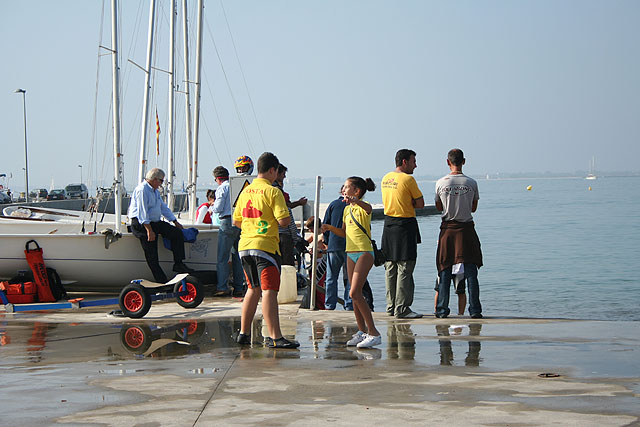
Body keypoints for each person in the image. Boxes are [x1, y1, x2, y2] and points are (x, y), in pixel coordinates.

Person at [234, 152, 300, 349]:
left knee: (252, 289)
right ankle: (276, 336)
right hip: (265, 247)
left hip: (245, 246)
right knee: (269, 291)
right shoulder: (273, 191)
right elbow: (284, 221)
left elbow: (236, 221)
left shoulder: (245, 191)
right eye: (276, 172)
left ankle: (243, 333)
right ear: (272, 170)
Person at [322, 177, 381, 348]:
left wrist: (356, 201)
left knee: (355, 292)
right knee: (352, 295)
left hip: (364, 252)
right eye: (344, 187)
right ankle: (362, 331)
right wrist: (329, 228)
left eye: (347, 187)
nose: (344, 189)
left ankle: (374, 332)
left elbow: (369, 209)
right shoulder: (347, 210)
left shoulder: (363, 206)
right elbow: (343, 232)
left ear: (356, 191)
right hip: (350, 253)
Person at [434, 148, 483, 319]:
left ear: (448, 162)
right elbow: (473, 208)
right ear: (464, 161)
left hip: (448, 230)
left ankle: (441, 309)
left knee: (445, 269)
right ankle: (475, 309)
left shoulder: (441, 183)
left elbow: (439, 207)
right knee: (471, 271)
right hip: (466, 230)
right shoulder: (471, 183)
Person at [128, 168, 194, 283]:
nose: (161, 184)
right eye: (161, 181)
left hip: (154, 222)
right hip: (141, 224)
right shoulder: (142, 190)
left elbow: (162, 207)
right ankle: (161, 281)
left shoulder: (154, 191)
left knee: (176, 233)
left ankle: (178, 263)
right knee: (152, 254)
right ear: (154, 180)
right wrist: (149, 230)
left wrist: (174, 221)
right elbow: (142, 212)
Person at [380, 149, 425, 319]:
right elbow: (420, 203)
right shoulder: (408, 179)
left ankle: (391, 306)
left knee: (390, 267)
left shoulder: (386, 178)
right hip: (405, 225)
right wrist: (410, 201)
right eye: (414, 161)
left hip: (388, 224)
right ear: (404, 162)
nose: (416, 165)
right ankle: (403, 308)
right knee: (405, 268)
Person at [212, 166, 244, 297]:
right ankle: (239, 287)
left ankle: (222, 287)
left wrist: (212, 207)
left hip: (226, 222)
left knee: (222, 258)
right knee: (238, 257)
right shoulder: (234, 186)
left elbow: (218, 208)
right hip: (239, 221)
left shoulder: (222, 188)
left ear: (218, 179)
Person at [272, 164, 306, 266]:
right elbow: (287, 214)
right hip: (283, 235)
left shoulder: (269, 189)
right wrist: (295, 238)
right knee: (287, 265)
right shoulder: (276, 191)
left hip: (272, 235)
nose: (284, 177)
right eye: (283, 174)